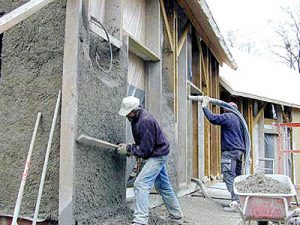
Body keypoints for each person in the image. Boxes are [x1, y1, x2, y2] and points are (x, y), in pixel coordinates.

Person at [117, 96, 183, 225]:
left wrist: (129, 149)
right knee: (163, 186)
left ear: (135, 110)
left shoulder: (144, 121)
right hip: (157, 152)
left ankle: (140, 221)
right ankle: (176, 216)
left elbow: (145, 150)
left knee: (140, 184)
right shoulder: (135, 118)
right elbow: (144, 144)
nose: (126, 115)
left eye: (128, 112)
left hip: (157, 156)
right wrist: (131, 148)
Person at [201, 97, 245, 209]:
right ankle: (241, 201)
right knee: (237, 178)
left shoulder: (228, 117)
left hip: (230, 152)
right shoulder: (240, 120)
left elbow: (213, 118)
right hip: (240, 153)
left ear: (227, 109)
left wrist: (204, 106)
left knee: (229, 177)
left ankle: (236, 202)